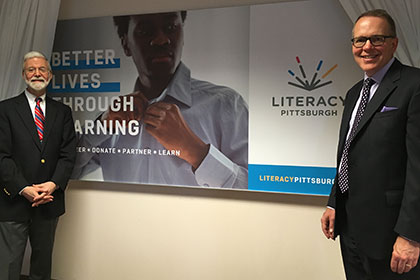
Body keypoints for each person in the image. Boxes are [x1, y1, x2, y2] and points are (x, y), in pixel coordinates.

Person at [72, 11, 248, 189]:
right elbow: (60, 175)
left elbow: (256, 188)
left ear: (182, 35)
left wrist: (196, 151)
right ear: (125, 44)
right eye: (145, 31)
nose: (161, 40)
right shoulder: (107, 125)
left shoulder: (226, 105)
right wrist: (100, 128)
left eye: (171, 28)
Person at [320, 9, 420, 279]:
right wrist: (333, 204)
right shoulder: (354, 93)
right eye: (359, 40)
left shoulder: (414, 85)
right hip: (351, 227)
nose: (366, 47)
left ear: (393, 43)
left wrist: (411, 235)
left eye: (376, 39)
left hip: (391, 234)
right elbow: (348, 154)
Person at [0, 51, 76, 279]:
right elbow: (1, 156)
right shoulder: (5, 110)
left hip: (48, 201)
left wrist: (52, 185)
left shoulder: (63, 112)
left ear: (50, 75)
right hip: (13, 199)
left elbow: (68, 155)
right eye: (31, 69)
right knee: (8, 266)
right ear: (23, 75)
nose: (37, 73)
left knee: (42, 268)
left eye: (42, 69)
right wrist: (24, 188)